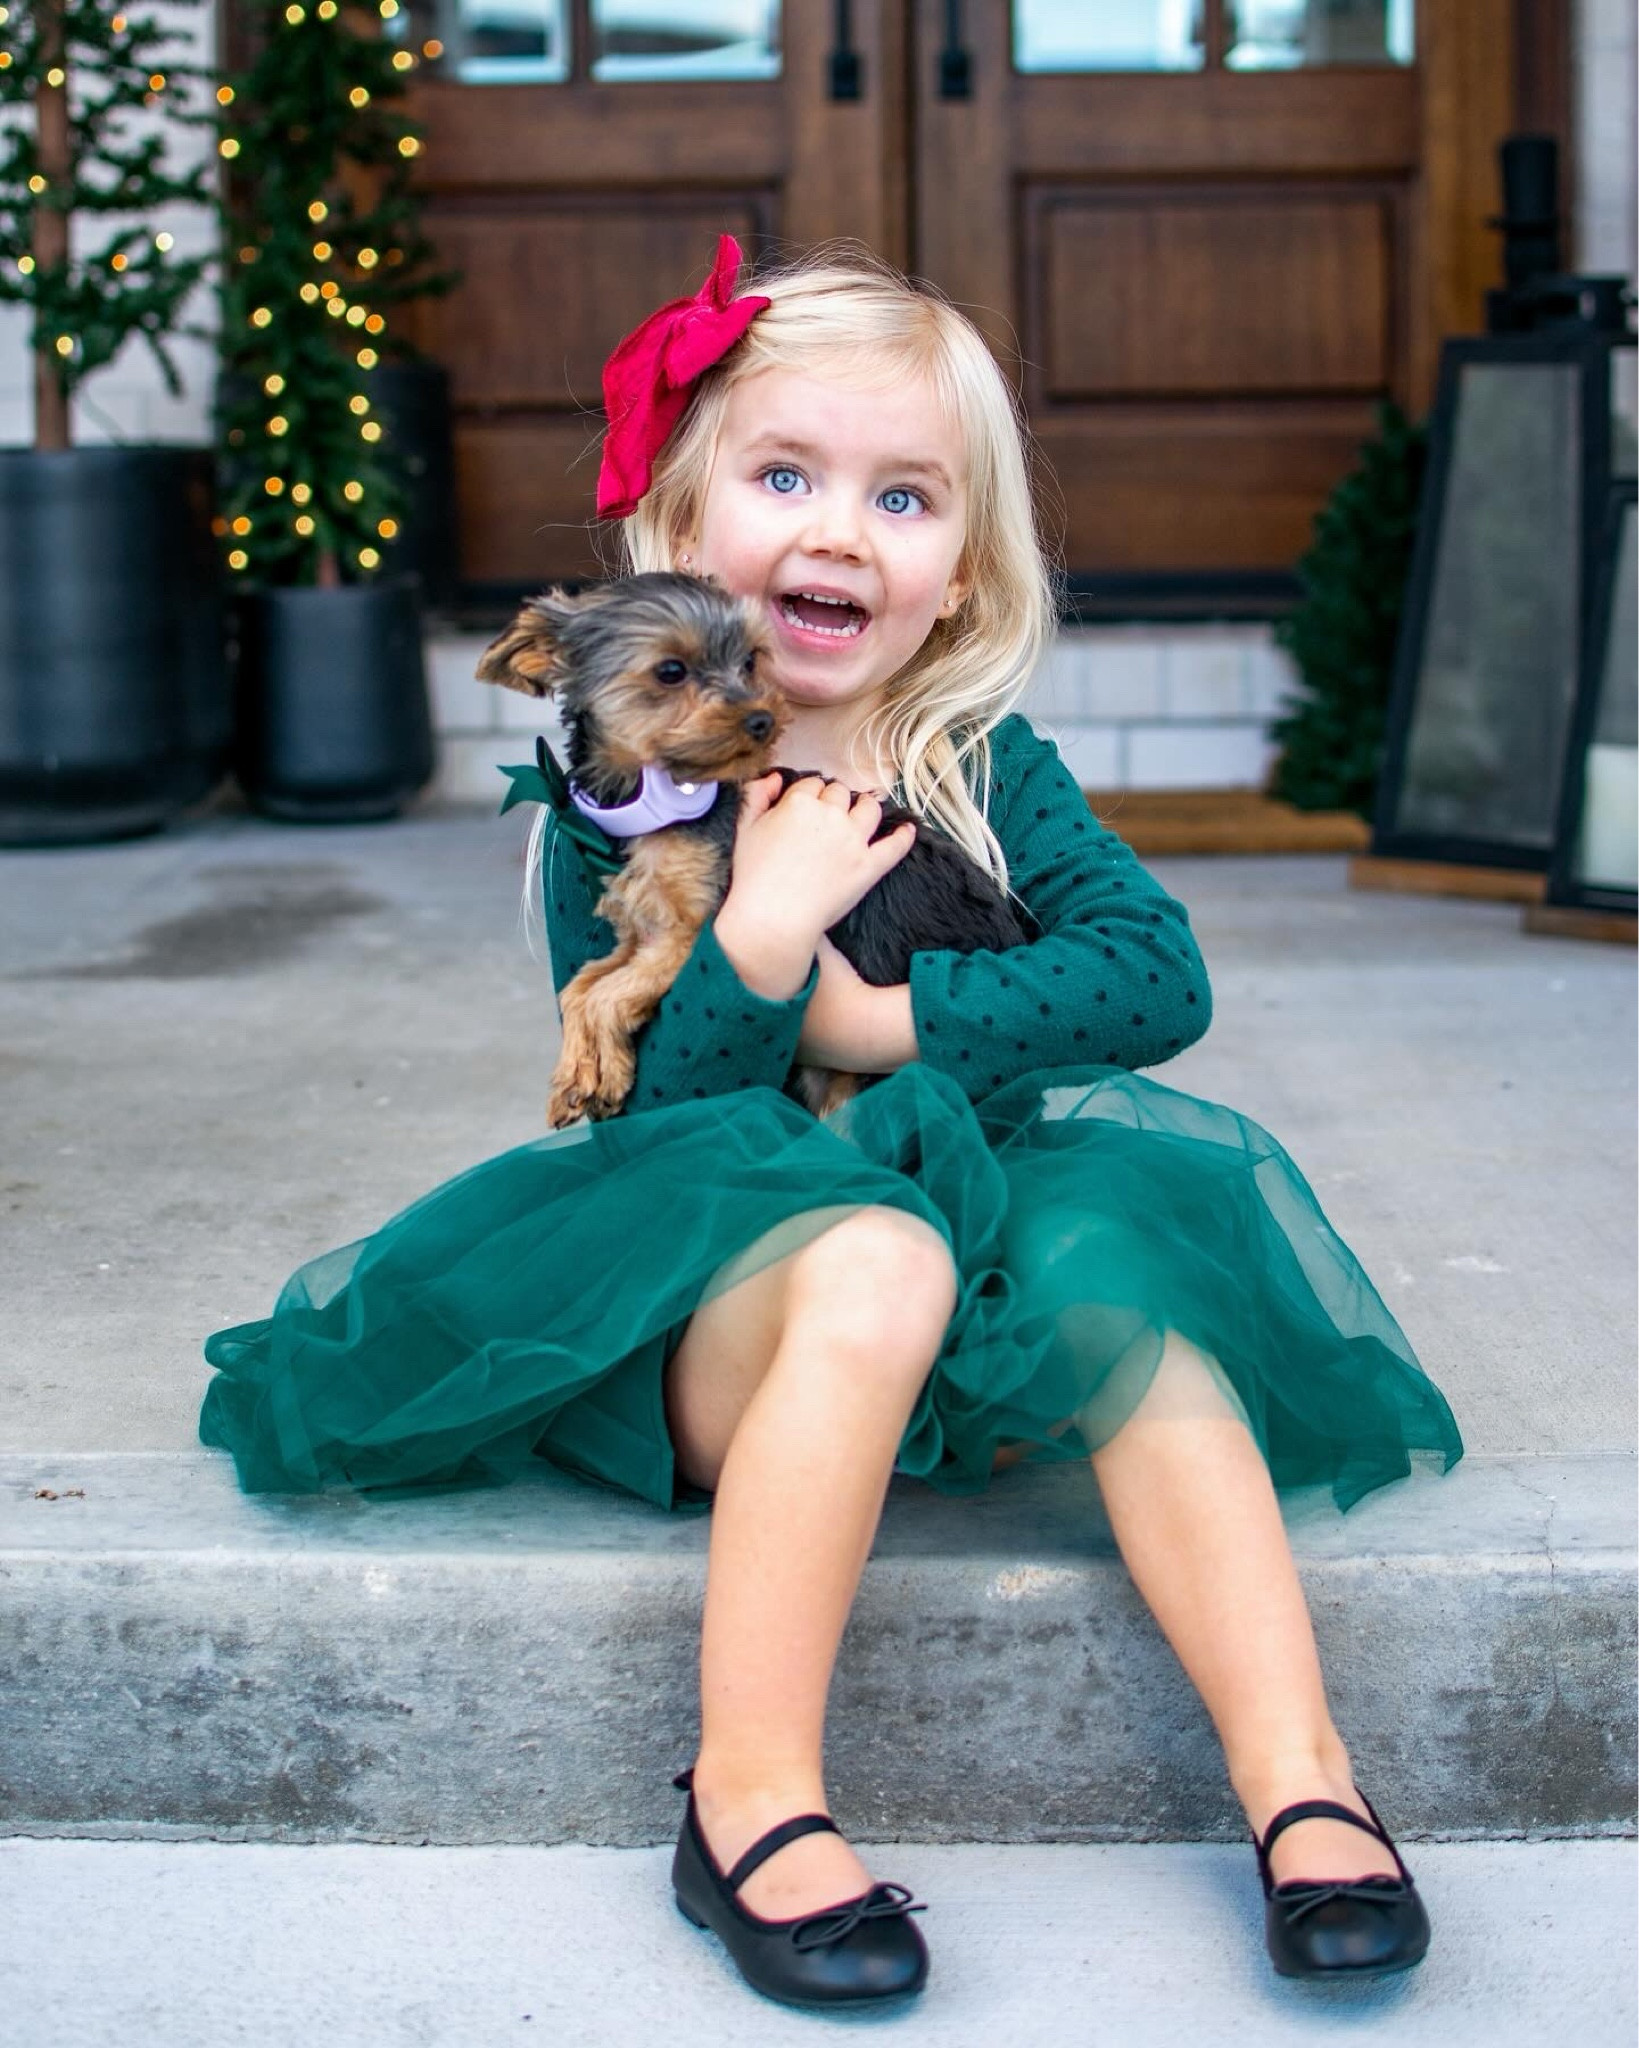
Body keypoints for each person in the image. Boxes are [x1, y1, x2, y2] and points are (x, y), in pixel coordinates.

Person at [201, 240, 1463, 2011]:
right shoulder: (627, 797)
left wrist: (877, 1014)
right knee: (870, 1252)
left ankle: (1302, 1776)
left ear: (959, 572)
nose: (838, 531)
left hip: (997, 1276)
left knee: (1117, 1264)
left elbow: (1153, 976)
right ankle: (749, 1799)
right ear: (680, 516)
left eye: (903, 495)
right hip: (736, 1301)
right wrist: (769, 922)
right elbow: (674, 1117)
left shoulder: (979, 761)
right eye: (784, 477)